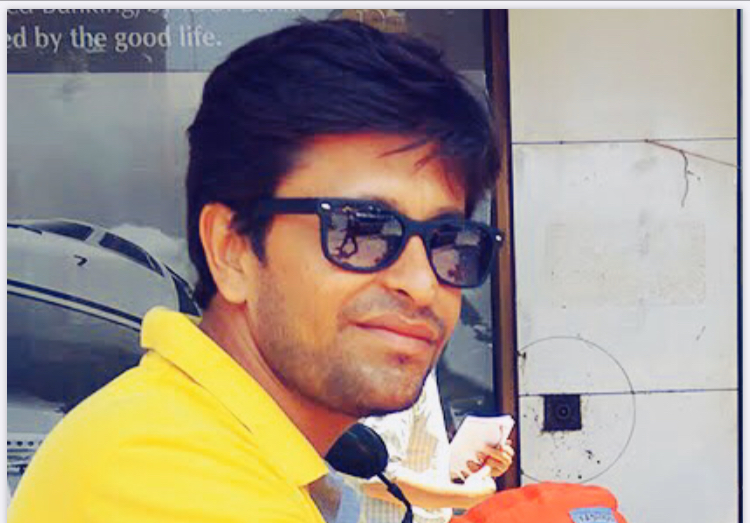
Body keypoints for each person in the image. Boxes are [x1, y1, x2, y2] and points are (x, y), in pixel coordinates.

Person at [8, 18, 504, 523]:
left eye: (450, 240)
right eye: (361, 229)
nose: (421, 284)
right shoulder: (168, 476)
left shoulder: (208, 439)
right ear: (232, 249)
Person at [355, 371, 515, 523]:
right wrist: (467, 496)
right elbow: (376, 478)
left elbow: (411, 465)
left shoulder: (417, 375)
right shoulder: (399, 377)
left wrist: (478, 469)